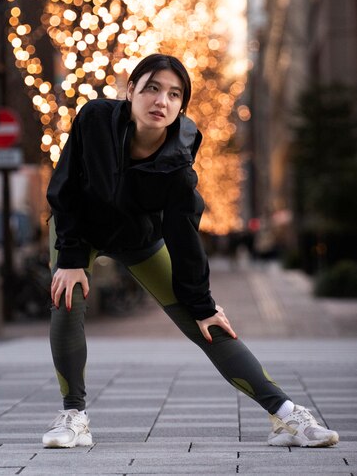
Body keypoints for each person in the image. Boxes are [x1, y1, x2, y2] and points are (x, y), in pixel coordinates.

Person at [43, 53, 339, 449]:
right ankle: (73, 416)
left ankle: (287, 416)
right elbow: (66, 187)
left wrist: (201, 304)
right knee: (66, 299)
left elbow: (183, 235)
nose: (160, 101)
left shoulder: (177, 163)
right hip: (78, 228)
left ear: (182, 104)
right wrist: (71, 258)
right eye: (151, 88)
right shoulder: (94, 118)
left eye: (173, 93)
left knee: (208, 326)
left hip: (140, 239)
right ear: (130, 90)